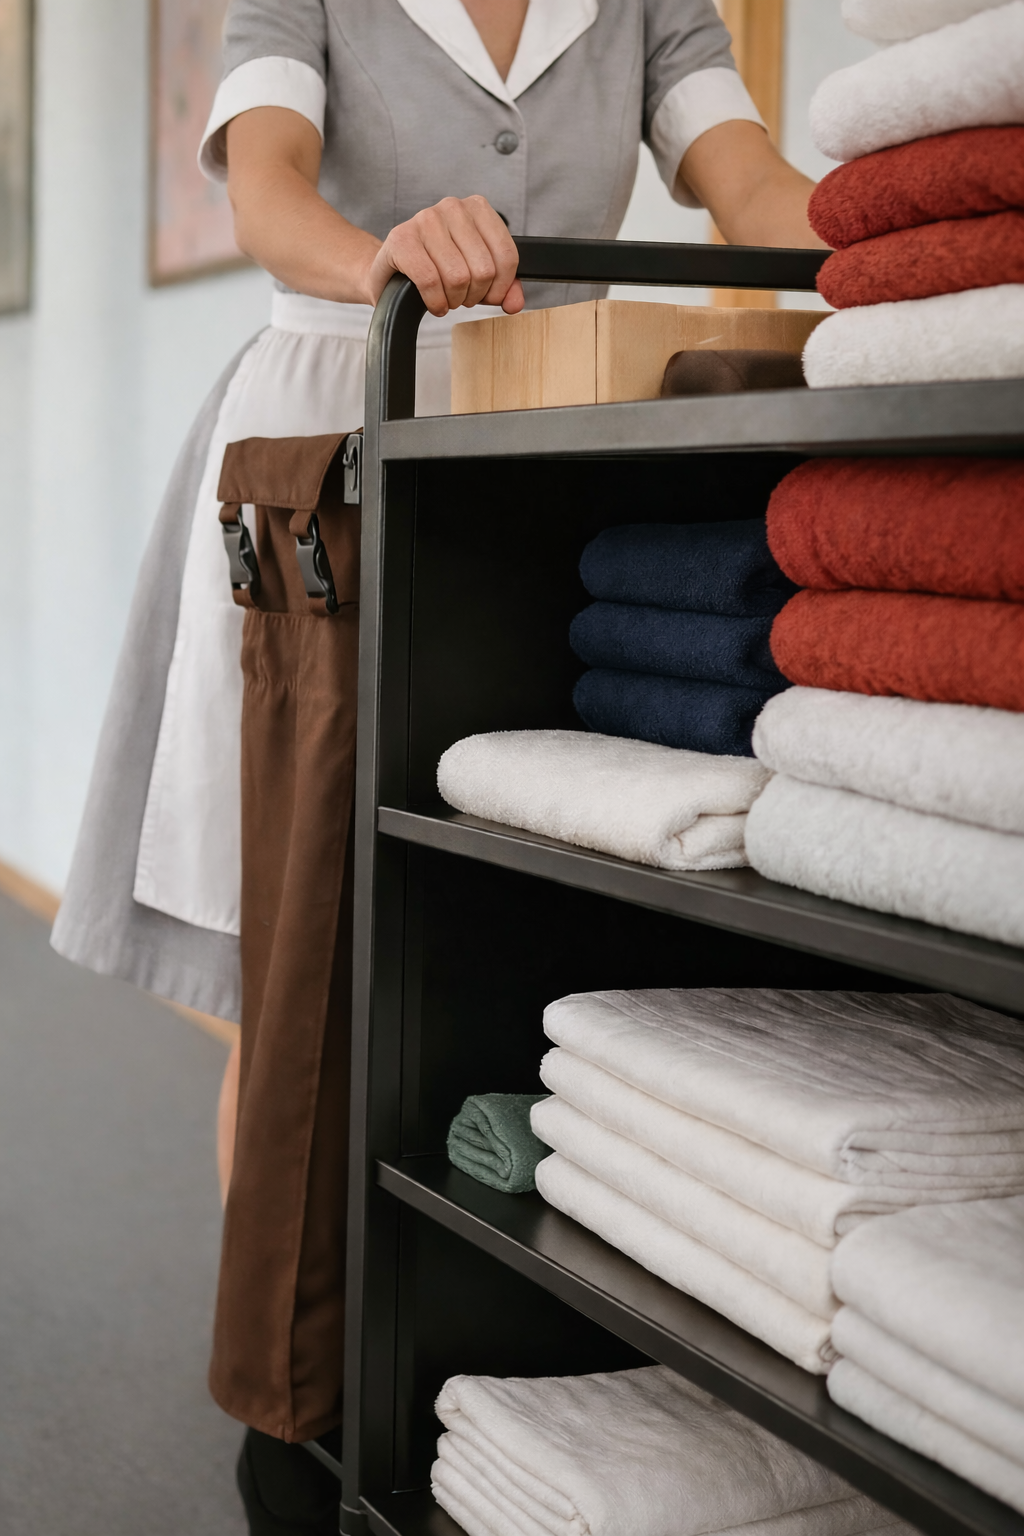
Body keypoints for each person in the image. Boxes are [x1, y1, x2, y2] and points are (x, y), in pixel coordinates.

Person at [52, 3, 824, 1531]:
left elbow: (747, 188)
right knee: (305, 971)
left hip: (544, 460)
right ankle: (298, 1406)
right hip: (333, 449)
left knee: (506, 904)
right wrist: (387, 257)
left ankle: (481, 1351)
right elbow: (268, 188)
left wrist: (922, 236)